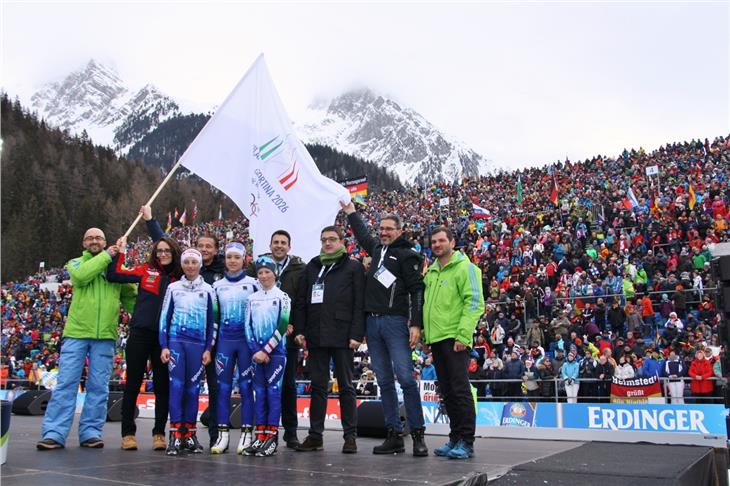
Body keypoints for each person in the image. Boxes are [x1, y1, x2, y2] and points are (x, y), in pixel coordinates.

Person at [340, 201, 427, 456]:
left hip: (395, 322)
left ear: (400, 230)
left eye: (390, 228)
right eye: (382, 228)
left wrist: (416, 324)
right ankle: (393, 434)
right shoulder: (377, 249)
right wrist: (351, 212)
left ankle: (418, 434)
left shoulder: (407, 254)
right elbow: (363, 234)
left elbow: (417, 290)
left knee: (407, 379)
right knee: (385, 381)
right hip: (372, 323)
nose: (384, 232)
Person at [37, 228, 137, 450]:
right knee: (66, 384)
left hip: (105, 335)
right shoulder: (75, 263)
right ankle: (54, 433)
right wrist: (107, 256)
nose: (94, 241)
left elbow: (130, 297)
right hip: (77, 333)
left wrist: (144, 318)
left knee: (99, 387)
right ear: (84, 243)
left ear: (105, 241)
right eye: (90, 238)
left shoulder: (114, 265)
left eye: (99, 238)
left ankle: (91, 433)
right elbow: (81, 277)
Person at [106, 206, 182, 451]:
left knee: (162, 386)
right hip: (139, 334)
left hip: (165, 339)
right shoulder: (145, 271)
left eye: (166, 251)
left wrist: (151, 220)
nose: (162, 254)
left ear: (174, 252)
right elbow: (115, 274)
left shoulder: (180, 276)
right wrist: (119, 252)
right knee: (132, 384)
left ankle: (160, 433)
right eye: (159, 251)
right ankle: (128, 433)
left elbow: (163, 239)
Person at [293, 225, 365, 453]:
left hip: (344, 336)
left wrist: (356, 334)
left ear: (342, 241)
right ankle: (315, 436)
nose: (327, 243)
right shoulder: (313, 266)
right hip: (316, 335)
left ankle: (350, 437)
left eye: (332, 239)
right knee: (317, 387)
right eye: (324, 239)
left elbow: (359, 303)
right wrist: (301, 330)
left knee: (346, 387)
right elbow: (302, 302)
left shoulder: (352, 267)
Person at [422, 226, 484, 460]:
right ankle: (455, 437)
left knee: (460, 391)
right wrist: (427, 337)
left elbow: (474, 302)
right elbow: (427, 307)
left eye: (441, 241)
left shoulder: (466, 268)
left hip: (455, 338)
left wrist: (463, 334)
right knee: (447, 392)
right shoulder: (431, 273)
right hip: (436, 339)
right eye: (433, 241)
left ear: (452, 241)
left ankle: (467, 442)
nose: (436, 245)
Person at [247, 230, 306, 449]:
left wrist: (297, 329)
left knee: (288, 386)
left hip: (286, 339)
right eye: (276, 242)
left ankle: (290, 433)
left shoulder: (300, 269)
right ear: (270, 245)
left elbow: (301, 302)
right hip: (260, 340)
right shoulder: (256, 266)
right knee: (261, 388)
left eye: (283, 243)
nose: (279, 246)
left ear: (289, 246)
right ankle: (261, 433)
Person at [159, 248, 216, 456]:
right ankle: (175, 435)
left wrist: (209, 348)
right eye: (187, 262)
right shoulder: (173, 288)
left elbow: (212, 322)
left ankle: (190, 435)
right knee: (176, 387)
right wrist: (164, 345)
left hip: (198, 345)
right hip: (176, 343)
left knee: (193, 390)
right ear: (182, 264)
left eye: (194, 262)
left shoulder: (209, 290)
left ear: (200, 265)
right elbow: (164, 318)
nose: (190, 266)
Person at [210, 242, 259, 454]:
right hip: (224, 342)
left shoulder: (254, 283)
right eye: (229, 257)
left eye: (236, 257)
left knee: (247, 388)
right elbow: (214, 318)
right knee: (222, 389)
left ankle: (248, 434)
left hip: (246, 343)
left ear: (244, 260)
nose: (232, 261)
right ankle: (222, 435)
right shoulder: (216, 286)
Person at [242, 257, 291, 457]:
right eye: (260, 272)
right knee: (259, 394)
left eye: (267, 272)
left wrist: (266, 350)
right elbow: (247, 326)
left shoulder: (283, 297)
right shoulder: (251, 299)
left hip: (276, 354)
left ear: (275, 273)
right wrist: (256, 351)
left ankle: (271, 438)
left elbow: (282, 325)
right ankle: (260, 436)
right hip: (256, 354)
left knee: (273, 394)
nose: (263, 276)